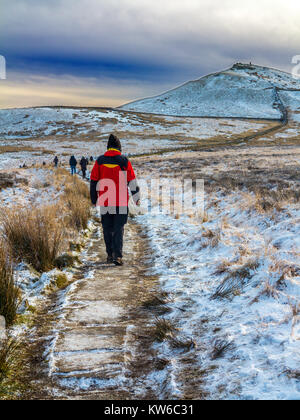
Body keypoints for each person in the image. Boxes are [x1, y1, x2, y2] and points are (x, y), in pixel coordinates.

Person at [90, 134, 140, 266]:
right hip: (121, 201)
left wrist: (93, 198)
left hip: (105, 200)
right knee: (119, 228)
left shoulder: (100, 161)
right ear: (119, 147)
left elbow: (94, 181)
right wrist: (136, 197)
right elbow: (131, 180)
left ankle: (109, 254)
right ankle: (117, 256)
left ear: (108, 147)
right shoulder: (124, 161)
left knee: (107, 228)